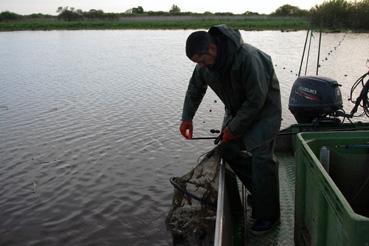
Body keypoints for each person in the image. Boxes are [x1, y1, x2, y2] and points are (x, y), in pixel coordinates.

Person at [179, 24, 282, 235]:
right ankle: (262, 192)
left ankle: (269, 216)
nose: (200, 66)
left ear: (212, 49)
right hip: (237, 111)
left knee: (261, 158)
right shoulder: (205, 67)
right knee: (227, 150)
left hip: (264, 112)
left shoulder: (248, 58)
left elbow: (256, 101)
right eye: (196, 62)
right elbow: (195, 89)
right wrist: (187, 118)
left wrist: (233, 128)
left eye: (201, 60)